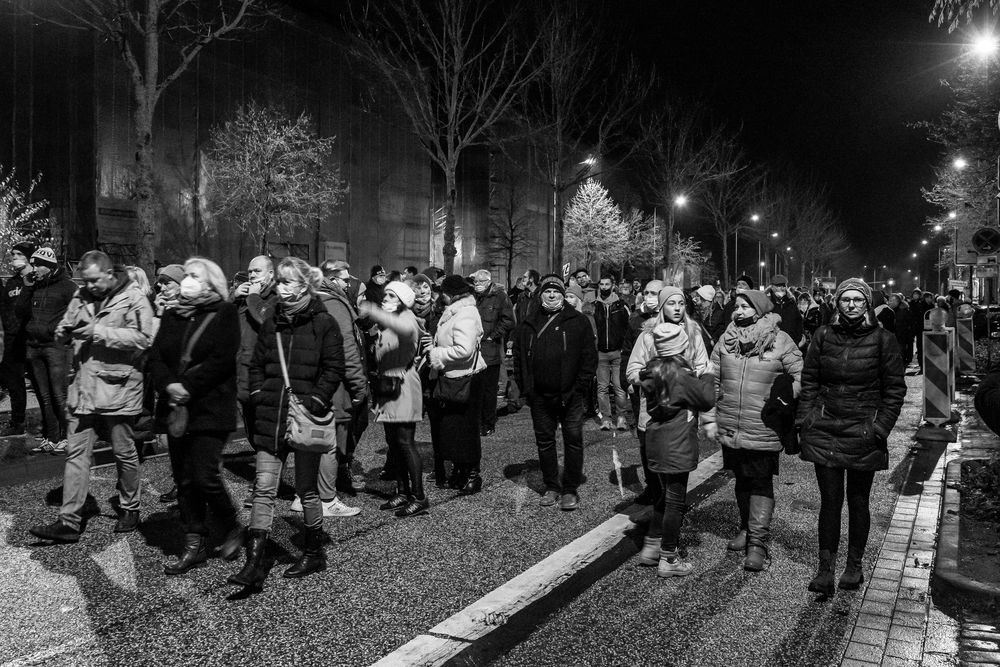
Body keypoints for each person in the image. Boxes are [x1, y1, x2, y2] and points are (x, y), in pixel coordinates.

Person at [229, 257, 345, 589]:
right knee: (264, 489)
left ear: (304, 286)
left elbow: (333, 368)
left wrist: (316, 401)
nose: (279, 287)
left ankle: (312, 551)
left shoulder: (324, 323)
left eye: (287, 282)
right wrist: (257, 393)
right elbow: (256, 364)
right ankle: (254, 563)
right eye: (278, 281)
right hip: (271, 415)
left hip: (305, 417)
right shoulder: (272, 322)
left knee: (307, 490)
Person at [28, 251, 155, 542]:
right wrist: (61, 333)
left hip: (117, 387)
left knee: (123, 451)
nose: (90, 286)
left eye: (95, 280)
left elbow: (144, 337)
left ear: (110, 274)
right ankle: (69, 521)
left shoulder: (134, 297)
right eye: (86, 281)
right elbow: (68, 326)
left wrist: (97, 331)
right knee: (76, 455)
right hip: (83, 389)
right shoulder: (80, 296)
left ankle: (130, 506)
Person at [798, 278, 906, 595]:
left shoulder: (883, 339)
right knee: (830, 502)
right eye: (846, 299)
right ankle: (825, 569)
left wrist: (880, 427)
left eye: (858, 300)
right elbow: (810, 381)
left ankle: (854, 566)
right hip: (826, 428)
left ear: (867, 304)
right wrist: (806, 418)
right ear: (837, 302)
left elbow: (894, 391)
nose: (851, 305)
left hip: (863, 431)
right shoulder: (822, 336)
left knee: (858, 502)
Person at [148, 257, 244, 574]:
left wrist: (186, 386)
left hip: (209, 406)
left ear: (210, 282)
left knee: (205, 475)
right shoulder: (174, 312)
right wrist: (168, 385)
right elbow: (157, 356)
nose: (187, 280)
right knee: (184, 479)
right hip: (177, 407)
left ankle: (230, 522)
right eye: (185, 275)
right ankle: (195, 541)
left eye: (194, 275)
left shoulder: (224, 312)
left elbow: (221, 360)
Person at [710, 288, 802, 572]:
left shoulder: (780, 340)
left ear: (760, 309)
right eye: (736, 306)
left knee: (760, 481)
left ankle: (758, 543)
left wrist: (782, 400)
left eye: (745, 306)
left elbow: (802, 377)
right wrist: (712, 409)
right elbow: (713, 377)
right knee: (741, 479)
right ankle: (745, 528)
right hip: (732, 424)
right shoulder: (725, 340)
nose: (738, 311)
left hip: (764, 424)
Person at [634, 323, 716, 577]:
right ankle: (668, 557)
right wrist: (708, 374)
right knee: (675, 502)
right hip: (677, 443)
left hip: (656, 441)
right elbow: (707, 399)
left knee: (664, 495)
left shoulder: (653, 371)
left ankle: (651, 546)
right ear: (680, 346)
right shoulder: (680, 375)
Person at [512, 275, 597, 511]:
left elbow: (589, 359)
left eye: (556, 292)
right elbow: (519, 358)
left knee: (573, 440)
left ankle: (570, 488)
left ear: (563, 295)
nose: (551, 295)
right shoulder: (529, 323)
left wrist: (578, 387)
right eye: (547, 292)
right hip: (539, 394)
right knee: (545, 441)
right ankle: (551, 485)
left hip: (570, 394)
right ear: (541, 296)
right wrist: (525, 387)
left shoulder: (578, 321)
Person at [627, 285, 714, 507]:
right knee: (651, 460)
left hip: (683, 412)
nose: (677, 308)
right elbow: (632, 370)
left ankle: (671, 515)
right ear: (662, 306)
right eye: (671, 303)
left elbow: (704, 366)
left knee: (677, 468)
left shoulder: (694, 333)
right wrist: (655, 377)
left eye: (681, 303)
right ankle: (657, 500)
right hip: (653, 410)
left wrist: (690, 379)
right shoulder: (648, 335)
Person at [357, 280, 427, 516]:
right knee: (394, 443)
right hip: (388, 385)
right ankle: (402, 491)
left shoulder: (406, 320)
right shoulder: (387, 323)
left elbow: (404, 330)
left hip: (403, 385)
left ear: (402, 301)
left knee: (406, 443)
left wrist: (373, 309)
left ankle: (418, 496)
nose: (385, 299)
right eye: (385, 296)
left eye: (391, 296)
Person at [427, 275, 487, 492]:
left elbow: (464, 349)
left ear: (449, 293)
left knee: (467, 429)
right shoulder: (456, 310)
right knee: (455, 428)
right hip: (454, 377)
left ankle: (472, 474)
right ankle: (460, 471)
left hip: (466, 380)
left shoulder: (465, 314)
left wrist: (436, 353)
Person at [25, 247, 78, 454]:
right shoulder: (34, 286)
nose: (34, 268)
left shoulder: (68, 287)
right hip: (34, 346)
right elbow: (21, 311)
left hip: (56, 347)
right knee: (44, 396)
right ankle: (53, 438)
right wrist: (28, 288)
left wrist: (63, 335)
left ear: (49, 266)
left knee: (59, 395)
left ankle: (69, 437)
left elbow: (78, 314)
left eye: (38, 264)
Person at [620, 279, 663, 503]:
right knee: (644, 438)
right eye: (646, 292)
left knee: (664, 440)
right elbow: (627, 351)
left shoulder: (674, 317)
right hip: (641, 387)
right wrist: (625, 379)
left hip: (667, 390)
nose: (649, 296)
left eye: (654, 292)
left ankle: (669, 489)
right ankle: (652, 485)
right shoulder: (635, 319)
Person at [231, 256, 278, 449]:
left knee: (266, 428)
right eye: (250, 271)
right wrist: (233, 298)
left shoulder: (277, 296)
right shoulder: (242, 298)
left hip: (264, 375)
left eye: (257, 271)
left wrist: (253, 297)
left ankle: (268, 473)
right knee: (251, 424)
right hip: (242, 371)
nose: (252, 275)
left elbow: (266, 319)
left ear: (270, 273)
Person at [472, 269, 514, 437]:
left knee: (489, 390)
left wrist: (493, 336)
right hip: (473, 350)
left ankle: (488, 422)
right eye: (475, 282)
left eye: (481, 282)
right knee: (475, 388)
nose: (477, 285)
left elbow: (509, 320)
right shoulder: (473, 297)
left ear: (489, 282)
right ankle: (476, 420)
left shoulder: (500, 297)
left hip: (490, 350)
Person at [0, 240, 35, 436]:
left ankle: (54, 428)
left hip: (30, 339)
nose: (14, 258)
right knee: (15, 384)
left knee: (39, 385)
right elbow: (5, 309)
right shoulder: (12, 282)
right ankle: (17, 421)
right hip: (14, 340)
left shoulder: (33, 281)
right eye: (13, 254)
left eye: (19, 255)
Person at [594, 275, 631, 431]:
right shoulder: (594, 305)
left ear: (612, 285)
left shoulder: (621, 305)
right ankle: (607, 419)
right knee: (602, 388)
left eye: (607, 284)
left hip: (617, 351)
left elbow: (628, 328)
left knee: (619, 386)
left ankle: (621, 417)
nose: (604, 287)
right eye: (601, 284)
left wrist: (625, 347)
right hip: (600, 352)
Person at [767, 275, 803, 348]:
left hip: (790, 344)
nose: (782, 288)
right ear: (772, 287)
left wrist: (796, 340)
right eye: (778, 286)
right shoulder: (766, 302)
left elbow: (798, 321)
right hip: (771, 345)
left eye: (783, 286)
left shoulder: (791, 302)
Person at [889, 293, 914, 367]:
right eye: (889, 300)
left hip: (901, 338)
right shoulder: (891, 310)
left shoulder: (903, 311)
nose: (889, 302)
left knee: (900, 357)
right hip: (895, 338)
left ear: (897, 301)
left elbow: (908, 325)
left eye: (891, 301)